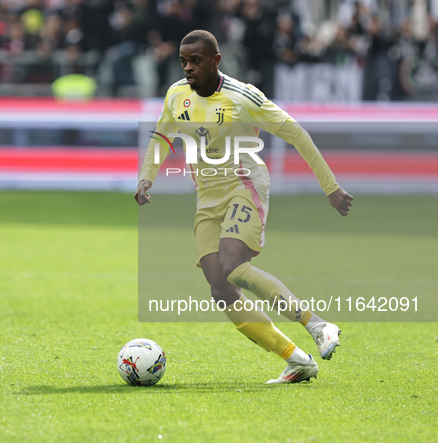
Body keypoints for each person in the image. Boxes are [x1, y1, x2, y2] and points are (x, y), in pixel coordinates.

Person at [135, 29, 353, 384]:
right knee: (220, 289)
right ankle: (296, 359)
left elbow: (295, 132)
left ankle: (319, 325)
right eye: (183, 61)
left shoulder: (243, 97)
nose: (188, 68)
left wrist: (330, 187)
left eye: (196, 61)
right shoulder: (176, 95)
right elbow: (162, 136)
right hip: (206, 196)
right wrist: (147, 177)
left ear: (216, 61)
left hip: (244, 184)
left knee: (233, 266)